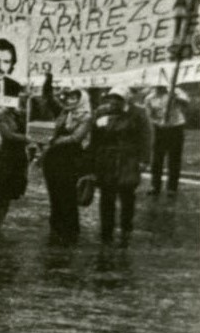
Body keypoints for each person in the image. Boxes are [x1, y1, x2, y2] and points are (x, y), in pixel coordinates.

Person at [90, 89, 151, 245]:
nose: (114, 102)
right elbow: (94, 138)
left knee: (127, 194)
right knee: (106, 195)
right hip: (106, 159)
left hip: (128, 159)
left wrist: (144, 159)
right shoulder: (102, 112)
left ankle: (126, 228)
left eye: (118, 98)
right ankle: (106, 231)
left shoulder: (137, 113)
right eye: (111, 98)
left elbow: (145, 136)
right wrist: (91, 161)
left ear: (126, 100)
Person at [40, 83, 91, 244]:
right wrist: (49, 81)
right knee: (54, 192)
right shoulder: (63, 112)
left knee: (67, 193)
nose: (70, 100)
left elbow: (77, 137)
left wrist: (58, 141)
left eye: (74, 97)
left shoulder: (87, 116)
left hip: (70, 158)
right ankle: (56, 226)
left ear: (81, 99)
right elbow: (49, 99)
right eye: (69, 97)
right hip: (53, 159)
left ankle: (69, 229)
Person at [143, 82, 189, 195]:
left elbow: (186, 103)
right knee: (157, 159)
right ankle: (155, 186)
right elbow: (149, 114)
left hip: (175, 128)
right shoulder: (150, 97)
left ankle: (172, 188)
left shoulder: (176, 91)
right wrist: (158, 121)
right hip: (160, 129)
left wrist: (176, 97)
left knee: (174, 158)